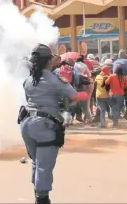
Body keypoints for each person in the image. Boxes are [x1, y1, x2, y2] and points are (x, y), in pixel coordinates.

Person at [19, 44, 78, 204]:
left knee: (36, 162)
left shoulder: (29, 80)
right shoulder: (55, 79)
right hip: (45, 125)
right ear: (48, 61)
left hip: (26, 124)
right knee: (44, 166)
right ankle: (42, 199)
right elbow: (73, 97)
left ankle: (37, 195)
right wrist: (62, 104)